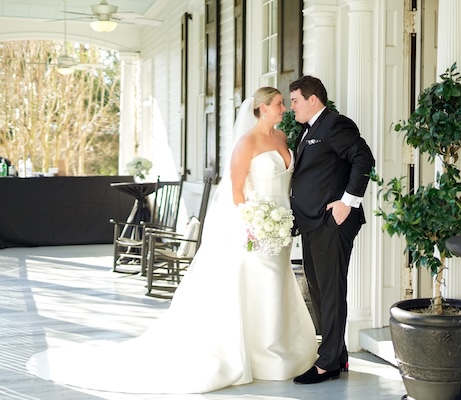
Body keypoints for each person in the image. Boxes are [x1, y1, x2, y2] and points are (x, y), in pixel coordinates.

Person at [26, 87, 318, 394]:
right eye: (277, 104)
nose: (283, 108)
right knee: (259, 284)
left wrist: (281, 221)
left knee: (278, 284)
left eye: (283, 103)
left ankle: (278, 351)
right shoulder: (247, 143)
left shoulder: (283, 139)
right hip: (256, 227)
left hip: (282, 226)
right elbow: (236, 191)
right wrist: (254, 224)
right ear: (261, 108)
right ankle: (260, 355)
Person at [289, 75, 375, 384]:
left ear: (313, 99)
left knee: (331, 291)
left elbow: (363, 158)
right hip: (311, 223)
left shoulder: (335, 124)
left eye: (295, 100)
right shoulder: (308, 130)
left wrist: (347, 202)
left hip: (331, 222)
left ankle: (326, 364)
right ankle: (336, 356)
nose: (291, 107)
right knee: (319, 289)